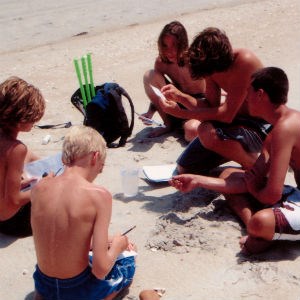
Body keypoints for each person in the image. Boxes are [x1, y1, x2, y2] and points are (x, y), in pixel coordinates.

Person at [170, 67, 300, 254]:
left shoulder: (285, 129)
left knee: (260, 221)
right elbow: (255, 177)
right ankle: (255, 231)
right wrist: (198, 181)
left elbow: (271, 194)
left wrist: (253, 187)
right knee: (229, 174)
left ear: (260, 94)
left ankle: (260, 231)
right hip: (296, 196)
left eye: (249, 93)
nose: (245, 98)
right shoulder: (276, 130)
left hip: (293, 199)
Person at [31, 125, 136, 300]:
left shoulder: (40, 188)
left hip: (44, 284)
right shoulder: (99, 196)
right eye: (100, 168)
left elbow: (64, 233)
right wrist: (118, 244)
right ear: (95, 157)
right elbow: (100, 269)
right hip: (76, 289)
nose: (97, 174)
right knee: (127, 263)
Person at [160, 27, 271, 174]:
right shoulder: (211, 66)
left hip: (262, 127)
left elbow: (226, 115)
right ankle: (244, 155)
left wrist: (180, 113)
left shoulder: (245, 62)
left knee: (205, 130)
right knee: (185, 168)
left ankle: (257, 169)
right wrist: (180, 97)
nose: (210, 76)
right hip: (236, 125)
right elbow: (209, 107)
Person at [142, 21, 207, 140]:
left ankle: (184, 125)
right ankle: (168, 123)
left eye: (174, 45)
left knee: (192, 131)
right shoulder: (161, 62)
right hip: (175, 102)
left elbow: (212, 87)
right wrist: (150, 112)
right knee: (149, 75)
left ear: (183, 44)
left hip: (195, 104)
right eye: (165, 46)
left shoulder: (195, 60)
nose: (169, 51)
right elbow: (159, 90)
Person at [0, 76, 45, 237]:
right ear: (21, 120)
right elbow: (15, 200)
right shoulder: (16, 149)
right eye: (33, 118)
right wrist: (43, 187)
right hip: (11, 223)